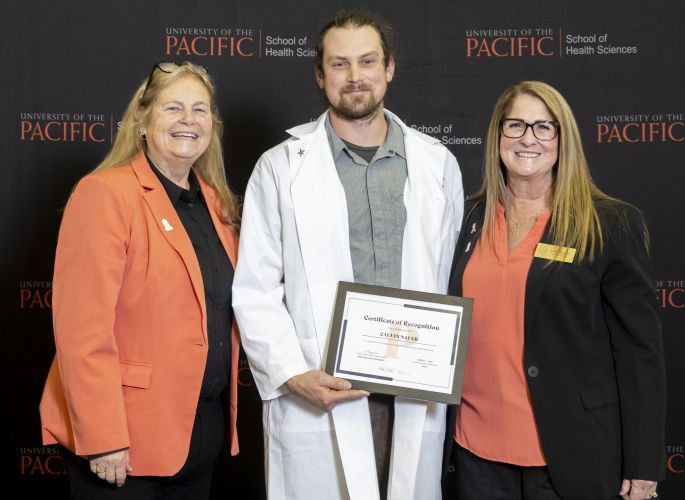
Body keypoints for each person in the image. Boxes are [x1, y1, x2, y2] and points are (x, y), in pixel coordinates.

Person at [232, 11, 463, 500]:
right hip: (321, 387)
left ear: (389, 68)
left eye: (367, 61)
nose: (355, 76)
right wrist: (293, 375)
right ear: (320, 75)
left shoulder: (437, 164)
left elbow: (447, 277)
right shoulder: (279, 168)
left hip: (413, 389)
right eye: (339, 64)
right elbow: (255, 287)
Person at [443, 81, 666, 500]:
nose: (528, 138)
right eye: (515, 125)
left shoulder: (610, 224)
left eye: (544, 127)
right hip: (475, 452)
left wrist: (643, 462)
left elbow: (640, 354)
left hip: (571, 451)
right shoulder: (466, 217)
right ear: (497, 137)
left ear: (563, 140)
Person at [39, 61, 241, 499]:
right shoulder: (105, 195)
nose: (188, 120)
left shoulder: (217, 203)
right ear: (143, 121)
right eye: (173, 107)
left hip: (198, 433)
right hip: (126, 441)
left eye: (200, 110)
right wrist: (103, 436)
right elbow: (82, 333)